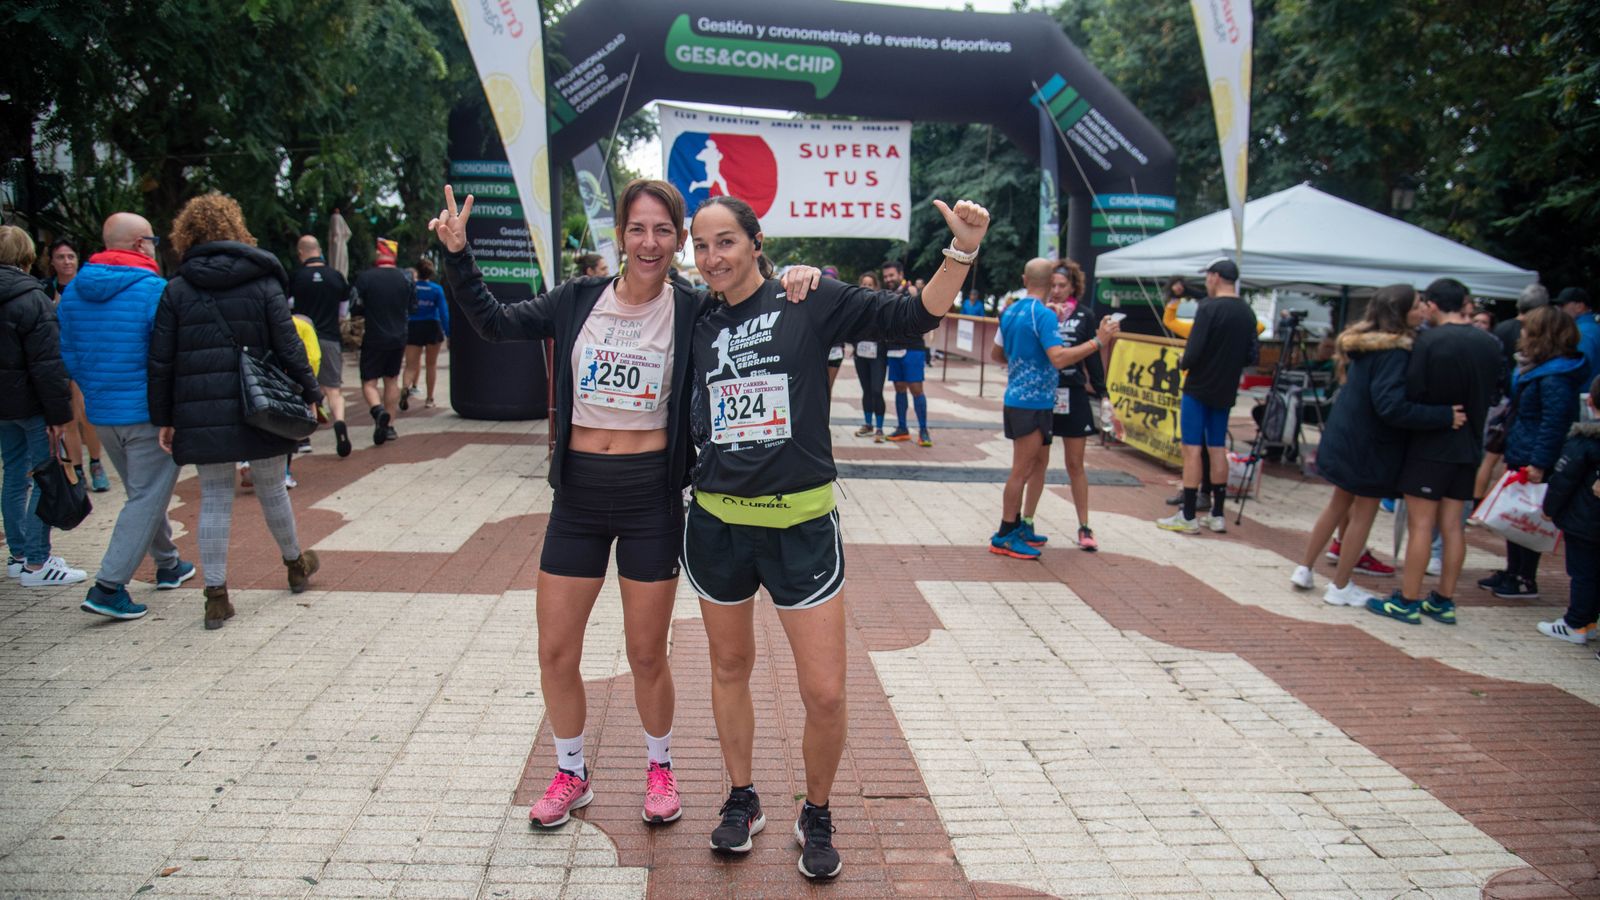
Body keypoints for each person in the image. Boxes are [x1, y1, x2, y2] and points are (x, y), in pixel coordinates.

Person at [430, 179, 819, 831]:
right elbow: (495, 324)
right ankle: (571, 773)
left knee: (646, 654)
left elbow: (757, 309)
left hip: (650, 498)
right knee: (555, 650)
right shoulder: (578, 300)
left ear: (677, 242)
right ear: (620, 236)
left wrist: (794, 279)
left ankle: (660, 768)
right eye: (637, 229)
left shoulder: (693, 307)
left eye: (663, 231)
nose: (649, 242)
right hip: (578, 496)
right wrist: (458, 256)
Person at [681, 193, 985, 881]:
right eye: (700, 246)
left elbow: (914, 318)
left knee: (825, 692)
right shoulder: (693, 316)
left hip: (802, 528)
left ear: (756, 243)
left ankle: (815, 810)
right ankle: (741, 796)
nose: (711, 258)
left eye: (725, 242)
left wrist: (960, 249)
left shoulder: (807, 299)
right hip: (719, 525)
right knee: (729, 668)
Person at [147, 192, 323, 629]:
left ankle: (216, 596)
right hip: (258, 406)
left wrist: (163, 417)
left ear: (185, 234)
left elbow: (161, 359)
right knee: (271, 488)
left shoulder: (177, 289)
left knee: (215, 498)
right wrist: (311, 391)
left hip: (200, 412)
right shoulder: (263, 282)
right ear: (236, 229)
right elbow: (288, 344)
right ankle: (294, 565)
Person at [1287, 285, 1462, 607]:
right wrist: (1442, 415)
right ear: (1402, 312)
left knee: (1338, 505)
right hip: (1371, 445)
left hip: (1346, 436)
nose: (1422, 308)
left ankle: (1305, 568)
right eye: (1416, 304)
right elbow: (1391, 406)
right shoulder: (1395, 351)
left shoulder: (1363, 345)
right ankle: (1340, 586)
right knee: (1361, 514)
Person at [58, 212, 197, 618]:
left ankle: (169, 563)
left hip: (102, 413)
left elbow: (69, 356)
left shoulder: (73, 293)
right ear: (140, 244)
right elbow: (170, 356)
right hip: (147, 413)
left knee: (142, 492)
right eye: (152, 239)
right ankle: (109, 586)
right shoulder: (155, 290)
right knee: (145, 496)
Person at [1366, 279, 1501, 624]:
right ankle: (1444, 599)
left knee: (1422, 525)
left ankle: (1407, 600)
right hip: (1470, 445)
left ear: (1434, 305)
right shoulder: (1489, 343)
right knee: (1453, 525)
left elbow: (1414, 390)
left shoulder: (1427, 341)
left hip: (1431, 446)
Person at [990, 258, 1119, 559]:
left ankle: (1019, 527)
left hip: (1018, 398)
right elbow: (1059, 358)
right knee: (1021, 471)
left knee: (1030, 467)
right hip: (1032, 404)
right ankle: (1005, 534)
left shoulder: (1010, 311)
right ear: (1050, 283)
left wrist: (1025, 362)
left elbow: (996, 354)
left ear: (1024, 279)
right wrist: (1098, 342)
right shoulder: (1044, 315)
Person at [1479, 305, 1585, 600]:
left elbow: (1554, 422)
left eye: (1528, 328)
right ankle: (1514, 570)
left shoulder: (1554, 376)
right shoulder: (1540, 370)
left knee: (1528, 516)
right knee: (1518, 514)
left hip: (1533, 454)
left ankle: (1524, 577)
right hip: (1524, 447)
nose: (1521, 332)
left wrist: (1539, 462)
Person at [0, 226, 86, 588]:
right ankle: (38, 561)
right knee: (44, 476)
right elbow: (48, 364)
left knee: (13, 476)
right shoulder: (33, 298)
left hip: (4, 406)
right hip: (33, 404)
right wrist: (59, 416)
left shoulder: (28, 297)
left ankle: (19, 555)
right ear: (28, 255)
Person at [1156, 258, 1258, 535]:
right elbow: (1252, 355)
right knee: (1217, 448)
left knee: (1191, 449)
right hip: (1225, 388)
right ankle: (1217, 514)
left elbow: (1194, 350)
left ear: (1215, 277)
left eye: (1208, 277)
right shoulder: (1247, 313)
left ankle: (1187, 515)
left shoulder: (1208, 308)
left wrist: (1182, 362)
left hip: (1199, 386)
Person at [1044, 260, 1107, 550]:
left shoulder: (1084, 315)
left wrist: (1103, 393)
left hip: (1073, 394)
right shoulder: (1041, 311)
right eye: (1052, 285)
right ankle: (1025, 521)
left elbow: (1092, 358)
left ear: (1073, 287)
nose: (1056, 291)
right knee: (1035, 462)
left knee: (1075, 464)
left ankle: (1084, 526)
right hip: (1042, 394)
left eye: (1062, 286)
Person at [1536, 376, 1600, 644]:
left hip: (1584, 520)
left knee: (1583, 573)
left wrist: (1549, 508)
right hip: (1586, 518)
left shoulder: (1584, 439)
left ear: (1590, 401)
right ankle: (1587, 621)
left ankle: (1576, 623)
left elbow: (1563, 480)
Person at [287, 235, 353, 457]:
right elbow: (343, 312)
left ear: (300, 253)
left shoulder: (296, 278)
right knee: (334, 389)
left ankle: (304, 438)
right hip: (330, 338)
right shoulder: (336, 277)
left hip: (303, 341)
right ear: (320, 249)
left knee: (302, 388)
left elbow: (288, 310)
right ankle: (340, 423)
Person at [352, 238, 415, 446]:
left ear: (379, 255)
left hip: (374, 337)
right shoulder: (405, 278)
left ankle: (377, 410)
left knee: (369, 382)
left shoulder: (365, 278)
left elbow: (355, 306)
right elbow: (412, 306)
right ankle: (389, 427)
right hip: (398, 337)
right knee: (392, 380)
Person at [880, 261, 933, 446]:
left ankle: (924, 431)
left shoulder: (910, 291)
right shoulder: (887, 294)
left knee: (916, 389)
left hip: (912, 348)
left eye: (891, 275)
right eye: (886, 276)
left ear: (900, 274)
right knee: (899, 388)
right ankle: (902, 428)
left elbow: (921, 317)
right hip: (893, 349)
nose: (888, 279)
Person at [401, 258, 449, 410]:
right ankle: (429, 399)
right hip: (432, 326)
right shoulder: (436, 289)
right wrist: (449, 333)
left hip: (413, 326)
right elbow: (444, 313)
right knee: (431, 364)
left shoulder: (411, 287)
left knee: (410, 365)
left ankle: (405, 388)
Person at [852, 271, 888, 441]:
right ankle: (868, 424)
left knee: (876, 390)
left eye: (869, 285)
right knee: (866, 390)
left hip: (878, 353)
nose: (866, 287)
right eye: (863, 284)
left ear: (875, 287)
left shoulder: (881, 304)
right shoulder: (854, 305)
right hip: (861, 353)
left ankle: (880, 427)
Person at [1557, 287, 1599, 383]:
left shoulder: (1581, 332)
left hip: (1584, 394)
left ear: (1579, 307)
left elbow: (1579, 370)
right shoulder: (1593, 328)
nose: (1559, 310)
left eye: (1562, 305)